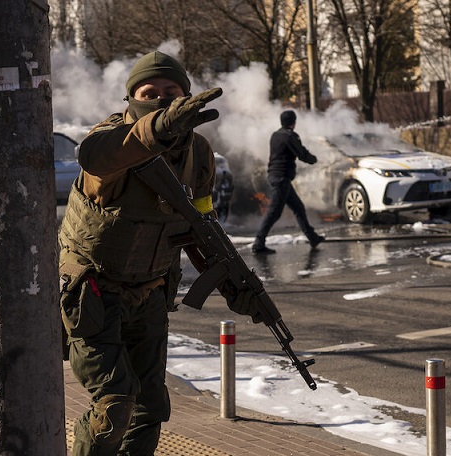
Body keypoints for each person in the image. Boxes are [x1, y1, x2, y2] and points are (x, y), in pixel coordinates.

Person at [57, 51, 261, 455]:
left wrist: (234, 283)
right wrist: (158, 129)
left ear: (188, 96)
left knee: (150, 407)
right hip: (94, 293)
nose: (162, 100)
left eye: (173, 93)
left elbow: (201, 223)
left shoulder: (199, 154)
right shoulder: (111, 140)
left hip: (150, 292)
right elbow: (93, 157)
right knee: (115, 405)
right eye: (150, 93)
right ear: (130, 99)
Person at [252, 110, 324, 254]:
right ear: (293, 122)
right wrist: (314, 159)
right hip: (281, 179)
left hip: (277, 177)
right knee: (274, 212)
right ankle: (258, 243)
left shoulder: (275, 135)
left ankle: (313, 237)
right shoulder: (290, 136)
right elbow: (302, 154)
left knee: (298, 208)